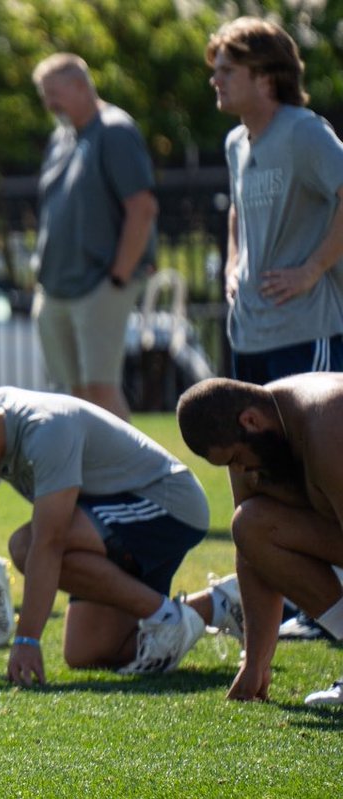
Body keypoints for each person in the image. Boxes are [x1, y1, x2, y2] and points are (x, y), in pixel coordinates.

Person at [0, 388, 240, 687]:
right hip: (112, 524)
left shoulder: (45, 429)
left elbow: (49, 543)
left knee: (27, 545)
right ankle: (220, 604)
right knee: (88, 651)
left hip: (168, 505)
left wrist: (28, 639)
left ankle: (168, 620)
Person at [206, 17, 343, 642]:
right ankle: (295, 603)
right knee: (257, 482)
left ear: (266, 76)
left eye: (227, 70)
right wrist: (236, 261)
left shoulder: (305, 133)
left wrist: (314, 268)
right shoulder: (237, 142)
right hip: (251, 334)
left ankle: (327, 603)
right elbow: (237, 207)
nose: (216, 79)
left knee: (321, 476)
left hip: (304, 332)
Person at [177, 375, 343, 706]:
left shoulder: (328, 421)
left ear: (250, 421)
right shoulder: (264, 432)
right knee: (252, 524)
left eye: (235, 458)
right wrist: (254, 664)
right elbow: (252, 551)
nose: (239, 469)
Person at [30, 53, 158, 421]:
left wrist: (118, 276)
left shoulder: (115, 130)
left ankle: (133, 477)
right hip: (56, 287)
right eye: (44, 95)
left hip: (100, 283)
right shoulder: (61, 137)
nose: (49, 103)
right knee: (73, 396)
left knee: (101, 391)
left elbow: (142, 208)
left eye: (54, 92)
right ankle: (90, 478)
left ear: (81, 86)